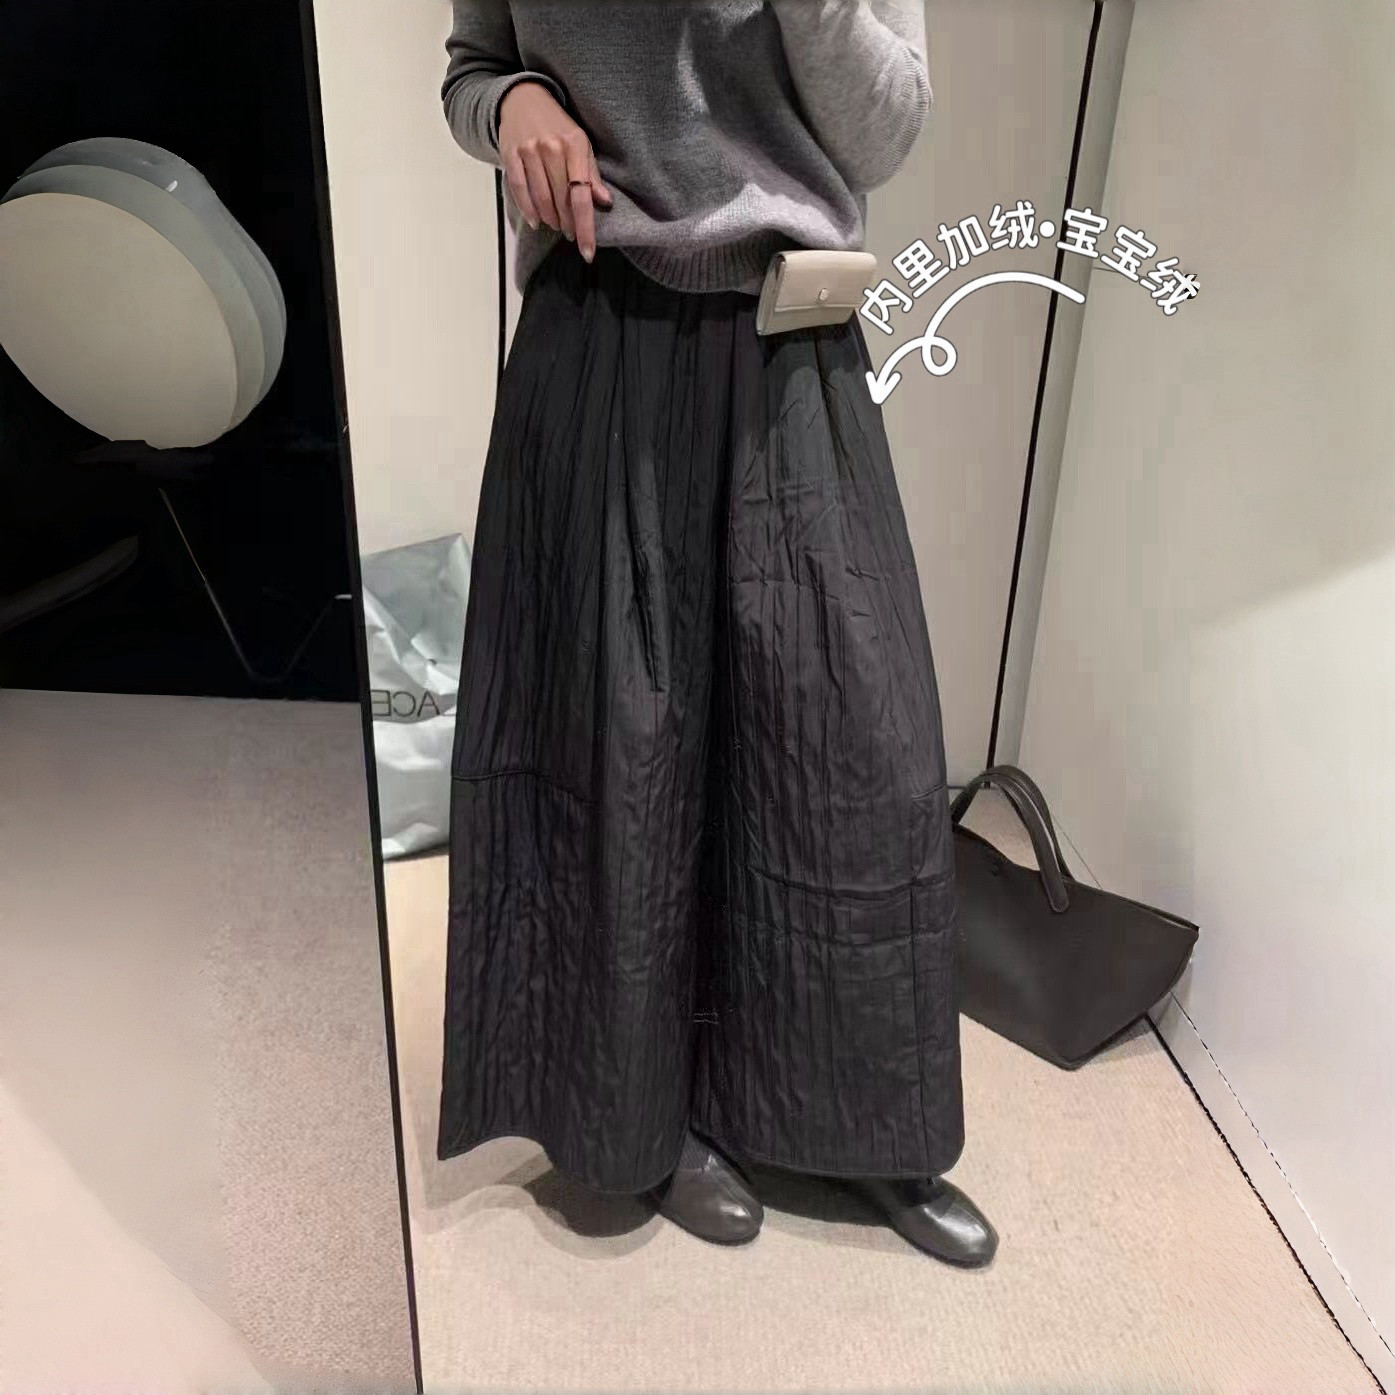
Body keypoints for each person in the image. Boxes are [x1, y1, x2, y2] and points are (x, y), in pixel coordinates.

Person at [436, 0, 996, 1268]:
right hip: (599, 330)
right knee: (625, 753)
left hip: (793, 338)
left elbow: (884, 130)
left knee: (850, 745)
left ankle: (859, 1120)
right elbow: (473, 68)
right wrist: (513, 105)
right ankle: (642, 1115)